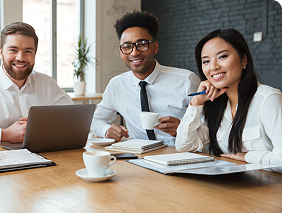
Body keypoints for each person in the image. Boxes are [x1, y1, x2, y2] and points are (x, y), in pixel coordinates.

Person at [90, 11, 200, 145]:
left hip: (180, 156)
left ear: (155, 46)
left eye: (142, 44)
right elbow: (95, 121)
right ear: (121, 52)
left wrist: (183, 130)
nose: (134, 52)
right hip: (136, 157)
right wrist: (106, 130)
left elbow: (211, 128)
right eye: (127, 46)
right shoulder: (117, 85)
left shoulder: (186, 81)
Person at [175, 28, 282, 164]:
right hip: (231, 183)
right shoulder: (216, 106)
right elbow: (184, 146)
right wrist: (196, 103)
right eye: (206, 61)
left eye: (222, 57)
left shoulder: (268, 99)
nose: (213, 67)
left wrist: (247, 156)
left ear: (244, 59)